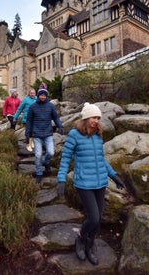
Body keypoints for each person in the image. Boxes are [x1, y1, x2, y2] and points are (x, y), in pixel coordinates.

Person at [56, 102, 126, 265]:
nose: (97, 121)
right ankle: (81, 239)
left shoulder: (97, 135)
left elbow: (101, 160)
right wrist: (61, 179)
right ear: (86, 118)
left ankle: (90, 242)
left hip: (100, 182)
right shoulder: (74, 134)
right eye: (94, 117)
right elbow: (65, 158)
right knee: (93, 218)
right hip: (84, 183)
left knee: (98, 218)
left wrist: (114, 176)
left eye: (98, 118)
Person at [25, 83, 64, 184]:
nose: (43, 97)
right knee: (38, 155)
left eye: (44, 95)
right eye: (41, 95)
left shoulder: (50, 106)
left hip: (48, 133)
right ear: (38, 95)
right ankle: (39, 173)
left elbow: (55, 117)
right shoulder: (32, 107)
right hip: (36, 134)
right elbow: (29, 121)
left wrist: (60, 125)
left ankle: (46, 162)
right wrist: (27, 134)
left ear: (46, 96)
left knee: (51, 152)